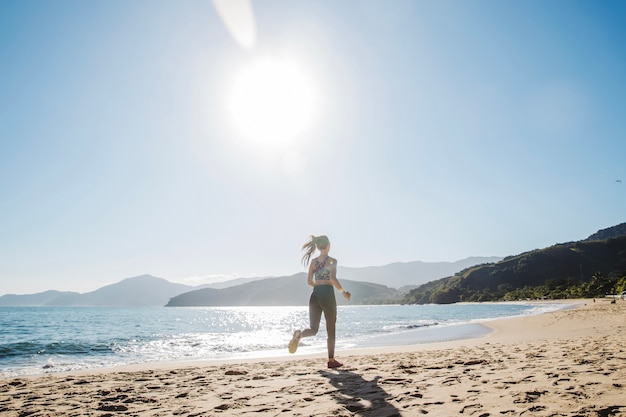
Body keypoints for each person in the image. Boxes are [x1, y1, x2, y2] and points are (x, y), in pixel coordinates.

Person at [288, 235, 351, 369]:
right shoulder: (332, 261)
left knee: (313, 329)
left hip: (315, 294)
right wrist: (343, 292)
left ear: (318, 246)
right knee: (330, 328)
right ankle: (331, 360)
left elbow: (309, 281)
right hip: (327, 294)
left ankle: (300, 335)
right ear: (328, 245)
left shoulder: (313, 261)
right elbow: (333, 278)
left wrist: (318, 288)